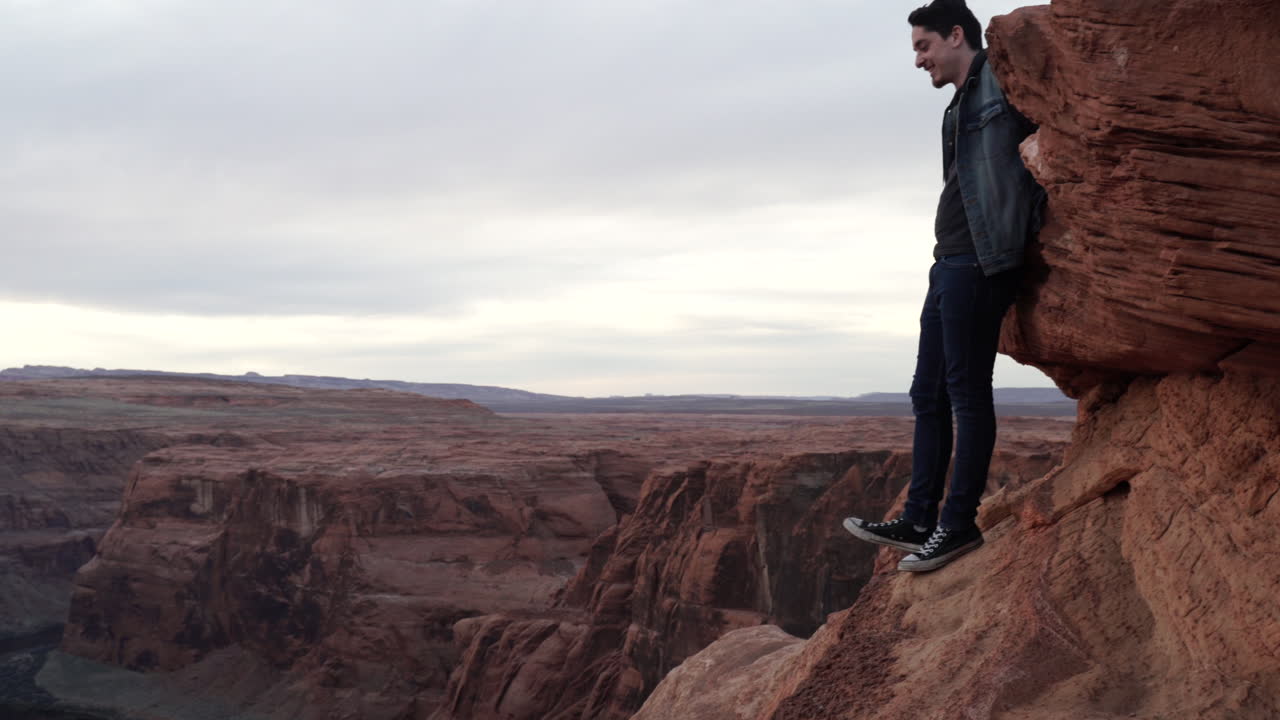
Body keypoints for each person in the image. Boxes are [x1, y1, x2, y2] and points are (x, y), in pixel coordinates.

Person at [843, 0, 1044, 572]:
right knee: (926, 394)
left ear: (957, 35)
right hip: (949, 259)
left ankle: (957, 526)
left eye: (923, 46)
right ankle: (918, 518)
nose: (918, 60)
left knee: (965, 391)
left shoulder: (999, 85)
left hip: (982, 260)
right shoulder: (959, 104)